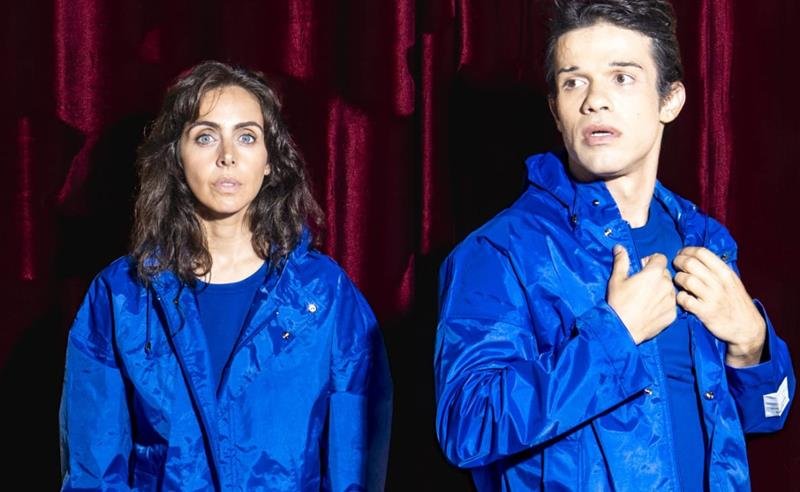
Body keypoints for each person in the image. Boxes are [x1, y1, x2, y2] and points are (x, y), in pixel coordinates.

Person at [434, 1, 795, 490]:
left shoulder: (706, 242)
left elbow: (767, 414)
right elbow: (467, 427)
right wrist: (615, 335)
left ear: (670, 100)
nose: (594, 101)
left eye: (621, 78)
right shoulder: (501, 252)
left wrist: (753, 345)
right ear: (555, 111)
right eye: (573, 82)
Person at [59, 61, 392, 491]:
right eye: (206, 136)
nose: (227, 156)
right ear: (176, 157)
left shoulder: (325, 295)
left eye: (247, 136)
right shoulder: (121, 295)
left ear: (270, 160)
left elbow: (354, 462)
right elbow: (93, 469)